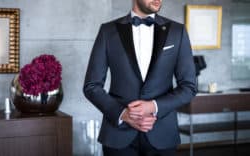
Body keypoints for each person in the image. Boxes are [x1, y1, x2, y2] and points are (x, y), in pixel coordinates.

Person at [83, 0, 197, 155]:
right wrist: (123, 114)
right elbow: (92, 86)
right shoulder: (108, 31)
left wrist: (153, 106)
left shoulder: (178, 31)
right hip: (118, 136)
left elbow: (189, 87)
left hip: (162, 135)